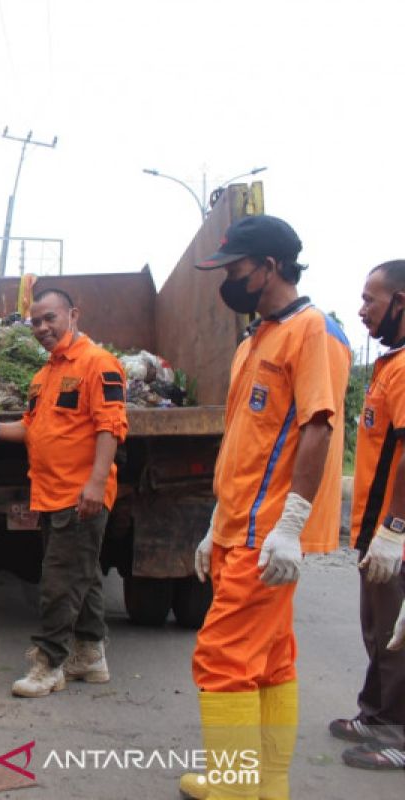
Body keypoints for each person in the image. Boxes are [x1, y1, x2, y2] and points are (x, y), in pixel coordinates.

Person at [180, 216, 350, 798]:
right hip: (239, 526)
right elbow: (246, 442)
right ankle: (265, 784)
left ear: (269, 267)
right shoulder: (257, 338)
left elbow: (319, 429)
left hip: (266, 531)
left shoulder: (312, 331)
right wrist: (214, 524)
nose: (228, 280)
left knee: (223, 658)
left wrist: (290, 527)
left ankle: (234, 788)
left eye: (236, 269)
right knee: (271, 659)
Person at [0, 288, 127, 698]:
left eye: (49, 318)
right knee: (80, 576)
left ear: (73, 313)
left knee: (57, 581)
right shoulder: (44, 376)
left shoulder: (98, 364)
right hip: (49, 493)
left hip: (79, 493)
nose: (42, 328)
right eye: (35, 322)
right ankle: (90, 655)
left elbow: (111, 427)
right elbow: (32, 428)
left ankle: (49, 664)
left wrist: (94, 483)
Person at [332, 260, 405, 770]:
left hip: (393, 531)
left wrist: (395, 529)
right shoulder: (390, 364)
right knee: (378, 628)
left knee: (396, 633)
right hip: (374, 528)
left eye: (370, 299)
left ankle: (398, 735)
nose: (362, 310)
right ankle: (376, 714)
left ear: (401, 301)